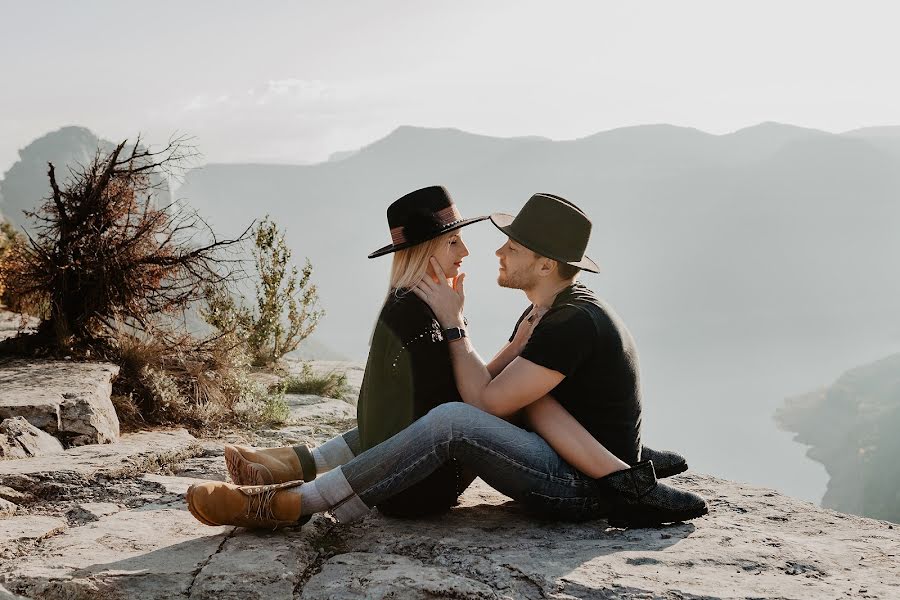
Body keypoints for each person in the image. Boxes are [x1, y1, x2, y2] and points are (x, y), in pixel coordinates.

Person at [187, 190, 707, 529]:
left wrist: (456, 327)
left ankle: (296, 504)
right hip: (571, 461)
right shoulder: (551, 316)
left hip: (580, 488)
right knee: (437, 412)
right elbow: (495, 384)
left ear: (546, 263)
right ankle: (290, 468)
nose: (495, 254)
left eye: (513, 247)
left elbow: (479, 401)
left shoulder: (571, 324)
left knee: (451, 421)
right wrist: (466, 328)